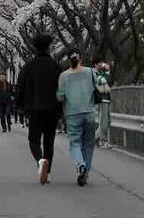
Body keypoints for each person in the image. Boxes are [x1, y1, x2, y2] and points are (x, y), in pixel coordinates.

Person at [15, 33, 62, 185]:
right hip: (52, 108)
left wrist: (19, 106)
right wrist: (61, 108)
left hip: (34, 108)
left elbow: (20, 87)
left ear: (34, 47)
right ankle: (47, 174)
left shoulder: (28, 66)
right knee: (49, 140)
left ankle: (40, 160)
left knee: (33, 139)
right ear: (49, 46)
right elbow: (62, 88)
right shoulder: (56, 66)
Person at [56, 51, 99, 186]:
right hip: (89, 113)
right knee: (88, 144)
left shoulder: (63, 76)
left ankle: (80, 164)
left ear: (68, 60)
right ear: (80, 59)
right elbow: (98, 87)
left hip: (72, 114)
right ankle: (85, 170)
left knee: (75, 143)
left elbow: (60, 96)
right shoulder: (90, 72)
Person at [94, 61, 112, 148]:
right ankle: (101, 140)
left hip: (107, 99)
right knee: (103, 122)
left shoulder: (102, 73)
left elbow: (108, 78)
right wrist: (106, 72)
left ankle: (96, 138)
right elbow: (104, 80)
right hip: (102, 99)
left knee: (108, 121)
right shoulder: (96, 74)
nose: (102, 65)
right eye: (99, 64)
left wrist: (107, 69)